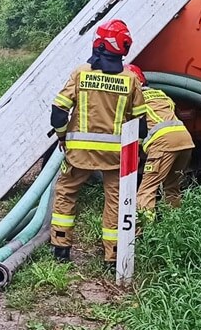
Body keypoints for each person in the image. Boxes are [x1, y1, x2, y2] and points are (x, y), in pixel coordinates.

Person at [49, 19, 148, 264]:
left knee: (66, 192)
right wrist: (135, 153)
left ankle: (61, 248)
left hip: (78, 154)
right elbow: (141, 124)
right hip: (116, 157)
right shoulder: (130, 79)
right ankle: (113, 255)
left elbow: (58, 112)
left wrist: (63, 136)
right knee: (115, 201)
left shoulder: (80, 73)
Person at [127, 64, 195, 221]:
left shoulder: (133, 99)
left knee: (146, 190)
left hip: (163, 143)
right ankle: (173, 227)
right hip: (185, 139)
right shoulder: (160, 94)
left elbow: (134, 126)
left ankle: (145, 234)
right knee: (172, 187)